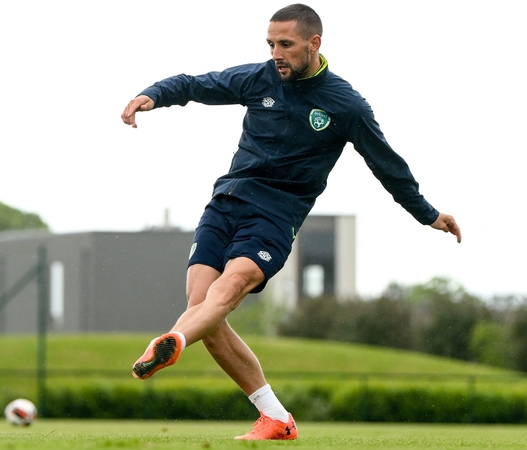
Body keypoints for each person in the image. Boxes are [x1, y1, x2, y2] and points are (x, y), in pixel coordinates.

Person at [120, 3, 461, 441]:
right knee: (202, 308)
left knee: (227, 290)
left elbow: (388, 166)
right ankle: (276, 419)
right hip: (224, 203)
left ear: (313, 44)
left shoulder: (346, 105)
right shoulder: (259, 78)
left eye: (285, 44)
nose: (275, 53)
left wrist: (428, 214)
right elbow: (195, 84)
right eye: (270, 44)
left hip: (275, 215)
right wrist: (153, 95)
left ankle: (172, 343)